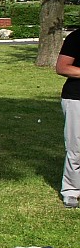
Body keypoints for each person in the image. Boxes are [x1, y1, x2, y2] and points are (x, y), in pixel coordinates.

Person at [56, 28, 80, 207]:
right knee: (76, 148)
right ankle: (71, 191)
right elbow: (62, 67)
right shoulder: (76, 37)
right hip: (76, 98)